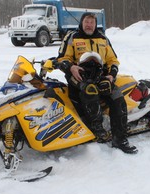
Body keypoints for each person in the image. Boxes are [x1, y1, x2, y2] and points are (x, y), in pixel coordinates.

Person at [56, 12, 138, 154]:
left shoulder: (103, 38)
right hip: (79, 75)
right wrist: (71, 67)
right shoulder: (72, 37)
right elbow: (62, 58)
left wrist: (111, 76)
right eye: (86, 22)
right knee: (89, 90)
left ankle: (120, 139)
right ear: (81, 23)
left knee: (117, 98)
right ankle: (97, 127)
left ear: (95, 24)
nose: (89, 25)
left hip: (101, 76)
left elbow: (113, 61)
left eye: (92, 22)